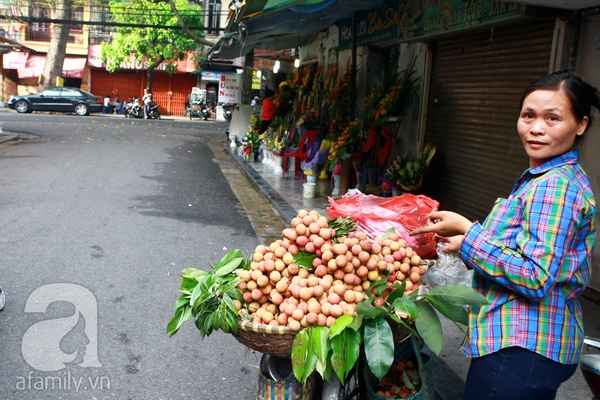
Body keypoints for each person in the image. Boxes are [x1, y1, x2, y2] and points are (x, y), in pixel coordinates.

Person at [410, 70, 600, 400]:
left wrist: (468, 231)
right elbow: (527, 250)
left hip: (523, 346)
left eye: (553, 118)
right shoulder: (551, 177)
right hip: (533, 345)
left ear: (580, 125)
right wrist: (462, 245)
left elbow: (535, 276)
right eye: (529, 115)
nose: (536, 128)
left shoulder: (554, 186)